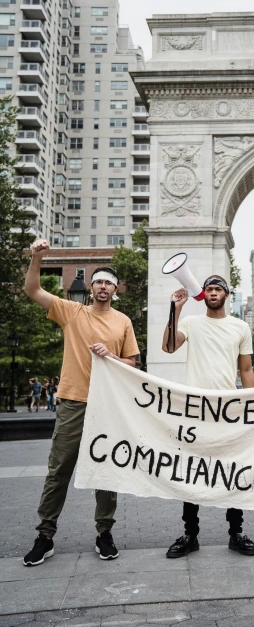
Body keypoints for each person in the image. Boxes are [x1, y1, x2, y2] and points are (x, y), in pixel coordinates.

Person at [22, 240, 140, 567]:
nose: (103, 287)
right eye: (98, 281)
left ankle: (104, 533)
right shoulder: (71, 311)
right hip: (73, 402)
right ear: (91, 286)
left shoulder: (123, 322)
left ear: (115, 289)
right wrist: (36, 257)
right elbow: (32, 289)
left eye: (108, 283)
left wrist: (112, 356)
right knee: (58, 470)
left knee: (105, 472)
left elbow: (133, 364)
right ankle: (45, 536)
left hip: (108, 406)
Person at [162, 274, 254, 559]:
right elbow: (168, 346)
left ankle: (235, 533)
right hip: (196, 411)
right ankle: (190, 534)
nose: (213, 292)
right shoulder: (191, 323)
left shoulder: (240, 327)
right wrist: (176, 308)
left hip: (227, 411)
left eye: (218, 289)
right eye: (208, 289)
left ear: (226, 295)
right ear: (201, 294)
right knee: (191, 472)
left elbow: (247, 370)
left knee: (231, 471)